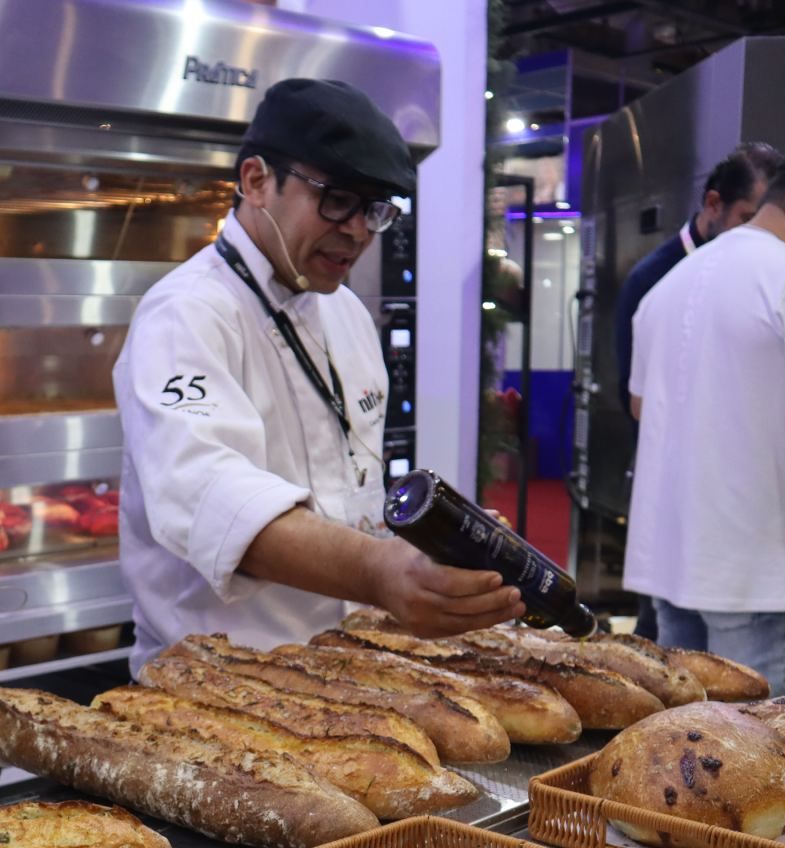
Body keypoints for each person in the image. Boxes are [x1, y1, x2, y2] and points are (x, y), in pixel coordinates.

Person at [115, 78, 524, 671]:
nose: (358, 229)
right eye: (337, 199)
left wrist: (433, 547)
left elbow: (349, 487)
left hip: (338, 668)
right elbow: (215, 500)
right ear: (256, 181)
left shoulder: (346, 312)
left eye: (376, 209)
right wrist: (379, 571)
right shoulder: (186, 314)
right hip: (214, 681)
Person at [624, 147, 785, 696]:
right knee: (753, 756)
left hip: (669, 559)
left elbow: (643, 408)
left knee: (685, 743)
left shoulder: (666, 287)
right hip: (754, 570)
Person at [612, 141, 781, 641]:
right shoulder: (654, 278)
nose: (761, 235)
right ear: (713, 206)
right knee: (668, 639)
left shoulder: (769, 275)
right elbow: (635, 403)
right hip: (675, 498)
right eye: (749, 217)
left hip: (745, 512)